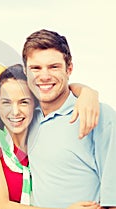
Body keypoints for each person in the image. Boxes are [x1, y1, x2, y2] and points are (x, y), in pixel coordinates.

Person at [0, 65, 99, 209]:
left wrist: (88, 93)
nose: (15, 112)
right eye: (6, 102)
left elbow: (63, 89)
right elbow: (1, 205)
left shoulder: (35, 143)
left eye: (24, 102)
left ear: (35, 104)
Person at [22, 29, 116, 208]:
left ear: (69, 69)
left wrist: (88, 93)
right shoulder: (25, 118)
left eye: (54, 67)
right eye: (35, 68)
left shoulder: (100, 115)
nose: (44, 76)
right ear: (25, 72)